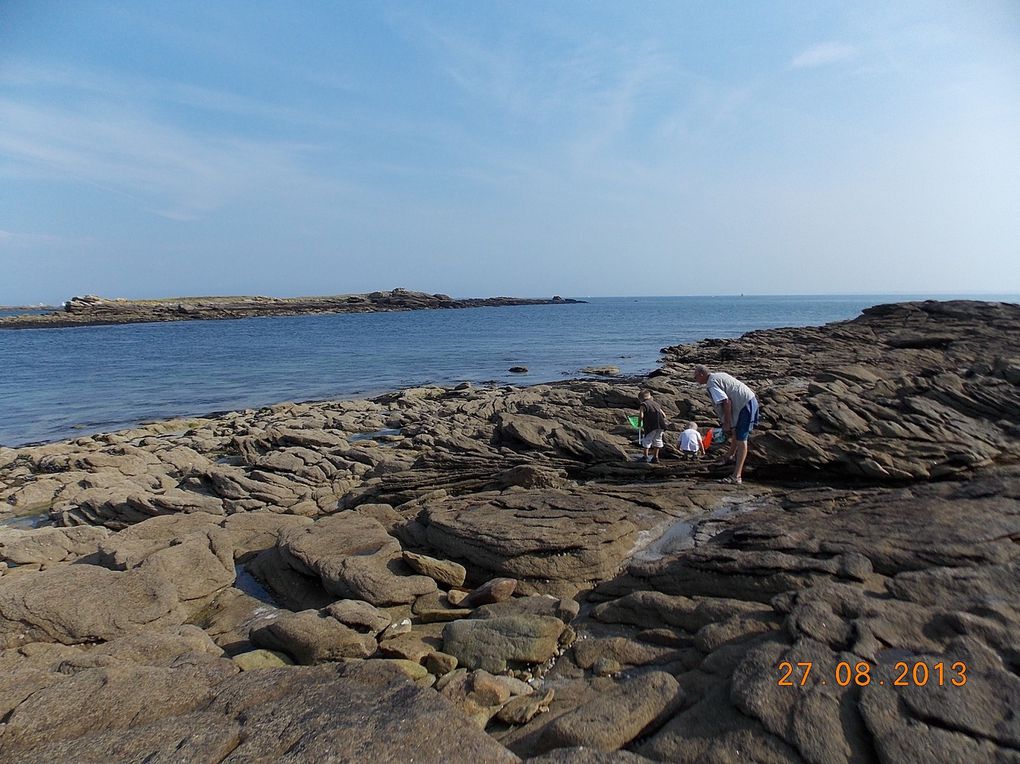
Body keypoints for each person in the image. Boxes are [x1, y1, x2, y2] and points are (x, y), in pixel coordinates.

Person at [693, 365, 758, 484]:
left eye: (695, 376)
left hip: (744, 405)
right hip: (749, 400)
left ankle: (736, 476)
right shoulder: (717, 375)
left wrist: (727, 423)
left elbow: (726, 402)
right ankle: (730, 455)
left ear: (702, 375)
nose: (695, 379)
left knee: (742, 438)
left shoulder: (712, 384)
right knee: (735, 431)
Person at [637, 390, 668, 463]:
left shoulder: (643, 405)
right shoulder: (656, 404)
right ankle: (655, 457)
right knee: (657, 440)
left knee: (647, 440)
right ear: (650, 397)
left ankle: (645, 457)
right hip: (661, 425)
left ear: (640, 399)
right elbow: (664, 415)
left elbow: (641, 416)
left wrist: (639, 423)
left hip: (651, 426)